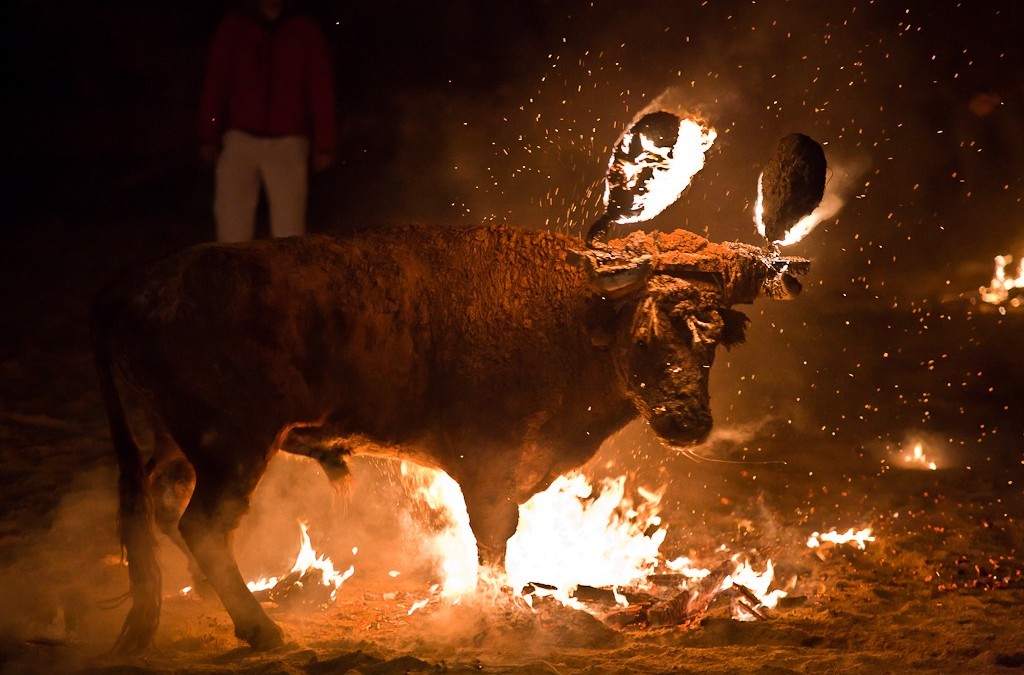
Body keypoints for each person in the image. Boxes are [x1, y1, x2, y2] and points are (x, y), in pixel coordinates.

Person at [199, 0, 336, 242]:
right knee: (231, 225)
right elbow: (216, 80)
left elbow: (319, 86)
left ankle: (287, 279)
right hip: (239, 137)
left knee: (289, 232)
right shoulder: (236, 26)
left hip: (288, 141)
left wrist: (324, 143)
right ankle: (233, 278)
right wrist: (208, 135)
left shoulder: (304, 29)